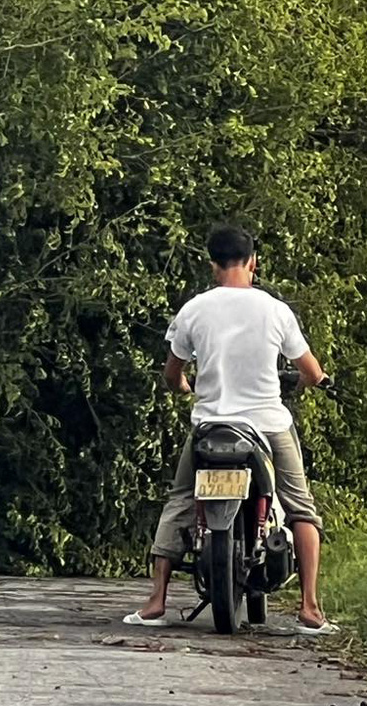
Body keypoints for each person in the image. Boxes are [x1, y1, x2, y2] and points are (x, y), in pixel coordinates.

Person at [125, 224, 337, 634]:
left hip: (210, 426)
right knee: (300, 508)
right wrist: (316, 382)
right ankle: (310, 608)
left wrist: (187, 387)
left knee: (181, 500)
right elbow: (310, 372)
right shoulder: (274, 309)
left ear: (212, 265)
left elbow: (173, 374)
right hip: (267, 426)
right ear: (253, 263)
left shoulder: (194, 309)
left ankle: (156, 601)